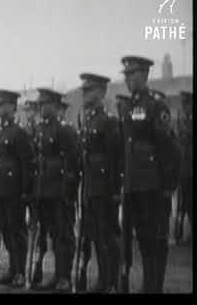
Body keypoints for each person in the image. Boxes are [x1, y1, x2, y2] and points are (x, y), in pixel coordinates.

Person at [119, 55, 181, 293]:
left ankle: (155, 287)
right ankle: (148, 286)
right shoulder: (128, 107)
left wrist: (168, 186)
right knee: (143, 241)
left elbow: (169, 148)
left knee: (156, 241)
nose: (128, 79)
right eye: (126, 75)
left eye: (132, 74)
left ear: (144, 75)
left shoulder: (156, 105)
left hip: (153, 188)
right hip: (134, 186)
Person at [32, 88, 78, 293]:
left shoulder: (64, 130)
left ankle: (64, 278)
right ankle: (56, 276)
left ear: (55, 105)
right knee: (52, 234)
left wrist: (69, 190)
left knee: (64, 236)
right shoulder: (42, 129)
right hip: (46, 191)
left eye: (45, 104)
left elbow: (73, 162)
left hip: (61, 191)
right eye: (40, 104)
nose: (41, 107)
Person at [77, 73, 121, 293]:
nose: (85, 94)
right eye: (84, 90)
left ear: (102, 92)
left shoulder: (109, 121)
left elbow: (115, 158)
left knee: (107, 236)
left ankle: (111, 280)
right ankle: (104, 279)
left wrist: (115, 189)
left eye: (90, 90)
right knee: (95, 236)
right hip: (91, 188)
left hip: (105, 188)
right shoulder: (89, 120)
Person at [0, 89, 36, 288]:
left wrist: (26, 191)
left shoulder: (19, 133)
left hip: (15, 191)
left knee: (17, 233)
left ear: (14, 107)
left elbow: (27, 164)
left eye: (5, 105)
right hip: (0, 190)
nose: (1, 109)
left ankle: (20, 272)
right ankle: (12, 269)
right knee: (7, 232)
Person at [176, 91, 192, 244]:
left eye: (185, 102)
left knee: (189, 202)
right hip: (184, 167)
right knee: (184, 202)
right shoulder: (181, 117)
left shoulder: (188, 119)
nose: (183, 105)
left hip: (190, 166)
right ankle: (180, 233)